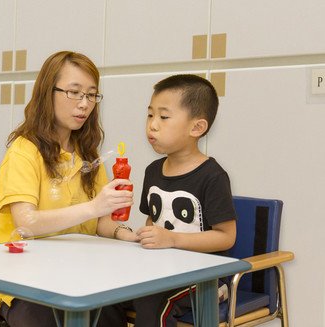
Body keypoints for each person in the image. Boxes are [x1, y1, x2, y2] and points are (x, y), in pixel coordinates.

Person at [0, 51, 137, 327]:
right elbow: (27, 222)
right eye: (74, 93)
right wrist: (94, 207)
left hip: (80, 276)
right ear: (48, 93)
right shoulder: (24, 152)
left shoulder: (88, 154)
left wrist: (127, 234)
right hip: (26, 282)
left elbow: (101, 224)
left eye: (92, 95)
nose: (84, 104)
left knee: (112, 314)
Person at [100, 74, 237, 327]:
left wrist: (173, 239)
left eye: (163, 117)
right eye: (150, 115)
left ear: (197, 127)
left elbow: (226, 237)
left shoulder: (213, 176)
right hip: (161, 271)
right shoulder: (153, 171)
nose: (152, 125)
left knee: (152, 303)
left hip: (204, 278)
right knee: (106, 295)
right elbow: (153, 221)